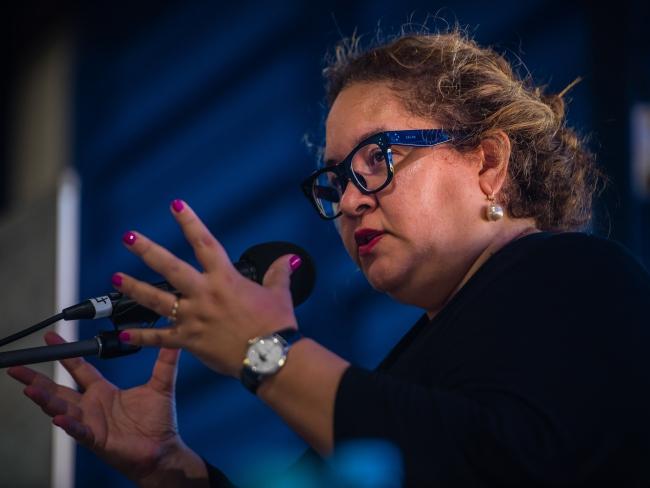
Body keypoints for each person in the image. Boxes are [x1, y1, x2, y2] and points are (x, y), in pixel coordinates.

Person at [7, 27, 650, 487]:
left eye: (378, 158)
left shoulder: (583, 276)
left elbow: (486, 463)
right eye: (336, 180)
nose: (347, 202)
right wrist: (172, 469)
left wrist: (268, 353)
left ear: (487, 161)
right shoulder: (406, 368)